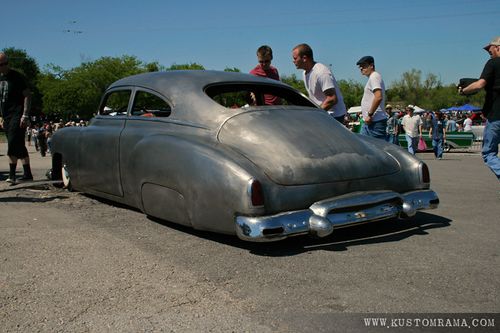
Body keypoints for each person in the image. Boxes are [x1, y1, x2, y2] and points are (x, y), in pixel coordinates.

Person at [460, 36, 500, 180]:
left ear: (498, 47)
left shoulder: (493, 63)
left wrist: (463, 91)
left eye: (491, 49)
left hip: (496, 116)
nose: (489, 51)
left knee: (489, 153)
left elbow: (480, 84)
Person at [0, 52, 33, 184]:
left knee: (13, 142)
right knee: (18, 143)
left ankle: (12, 175)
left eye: (4, 64)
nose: (3, 66)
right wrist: (1, 117)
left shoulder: (16, 76)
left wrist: (25, 114)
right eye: (1, 65)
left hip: (17, 114)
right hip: (6, 116)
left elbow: (27, 95)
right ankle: (27, 174)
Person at [292, 43, 347, 123]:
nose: (293, 61)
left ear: (304, 58)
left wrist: (316, 114)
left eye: (295, 58)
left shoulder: (321, 72)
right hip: (323, 114)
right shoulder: (304, 73)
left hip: (334, 116)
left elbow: (332, 99)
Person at [356, 56, 388, 139]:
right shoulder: (373, 77)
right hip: (371, 122)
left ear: (371, 65)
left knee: (376, 149)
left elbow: (378, 97)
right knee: (365, 147)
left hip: (374, 122)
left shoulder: (374, 77)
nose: (361, 68)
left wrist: (370, 114)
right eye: (360, 66)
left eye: (364, 66)